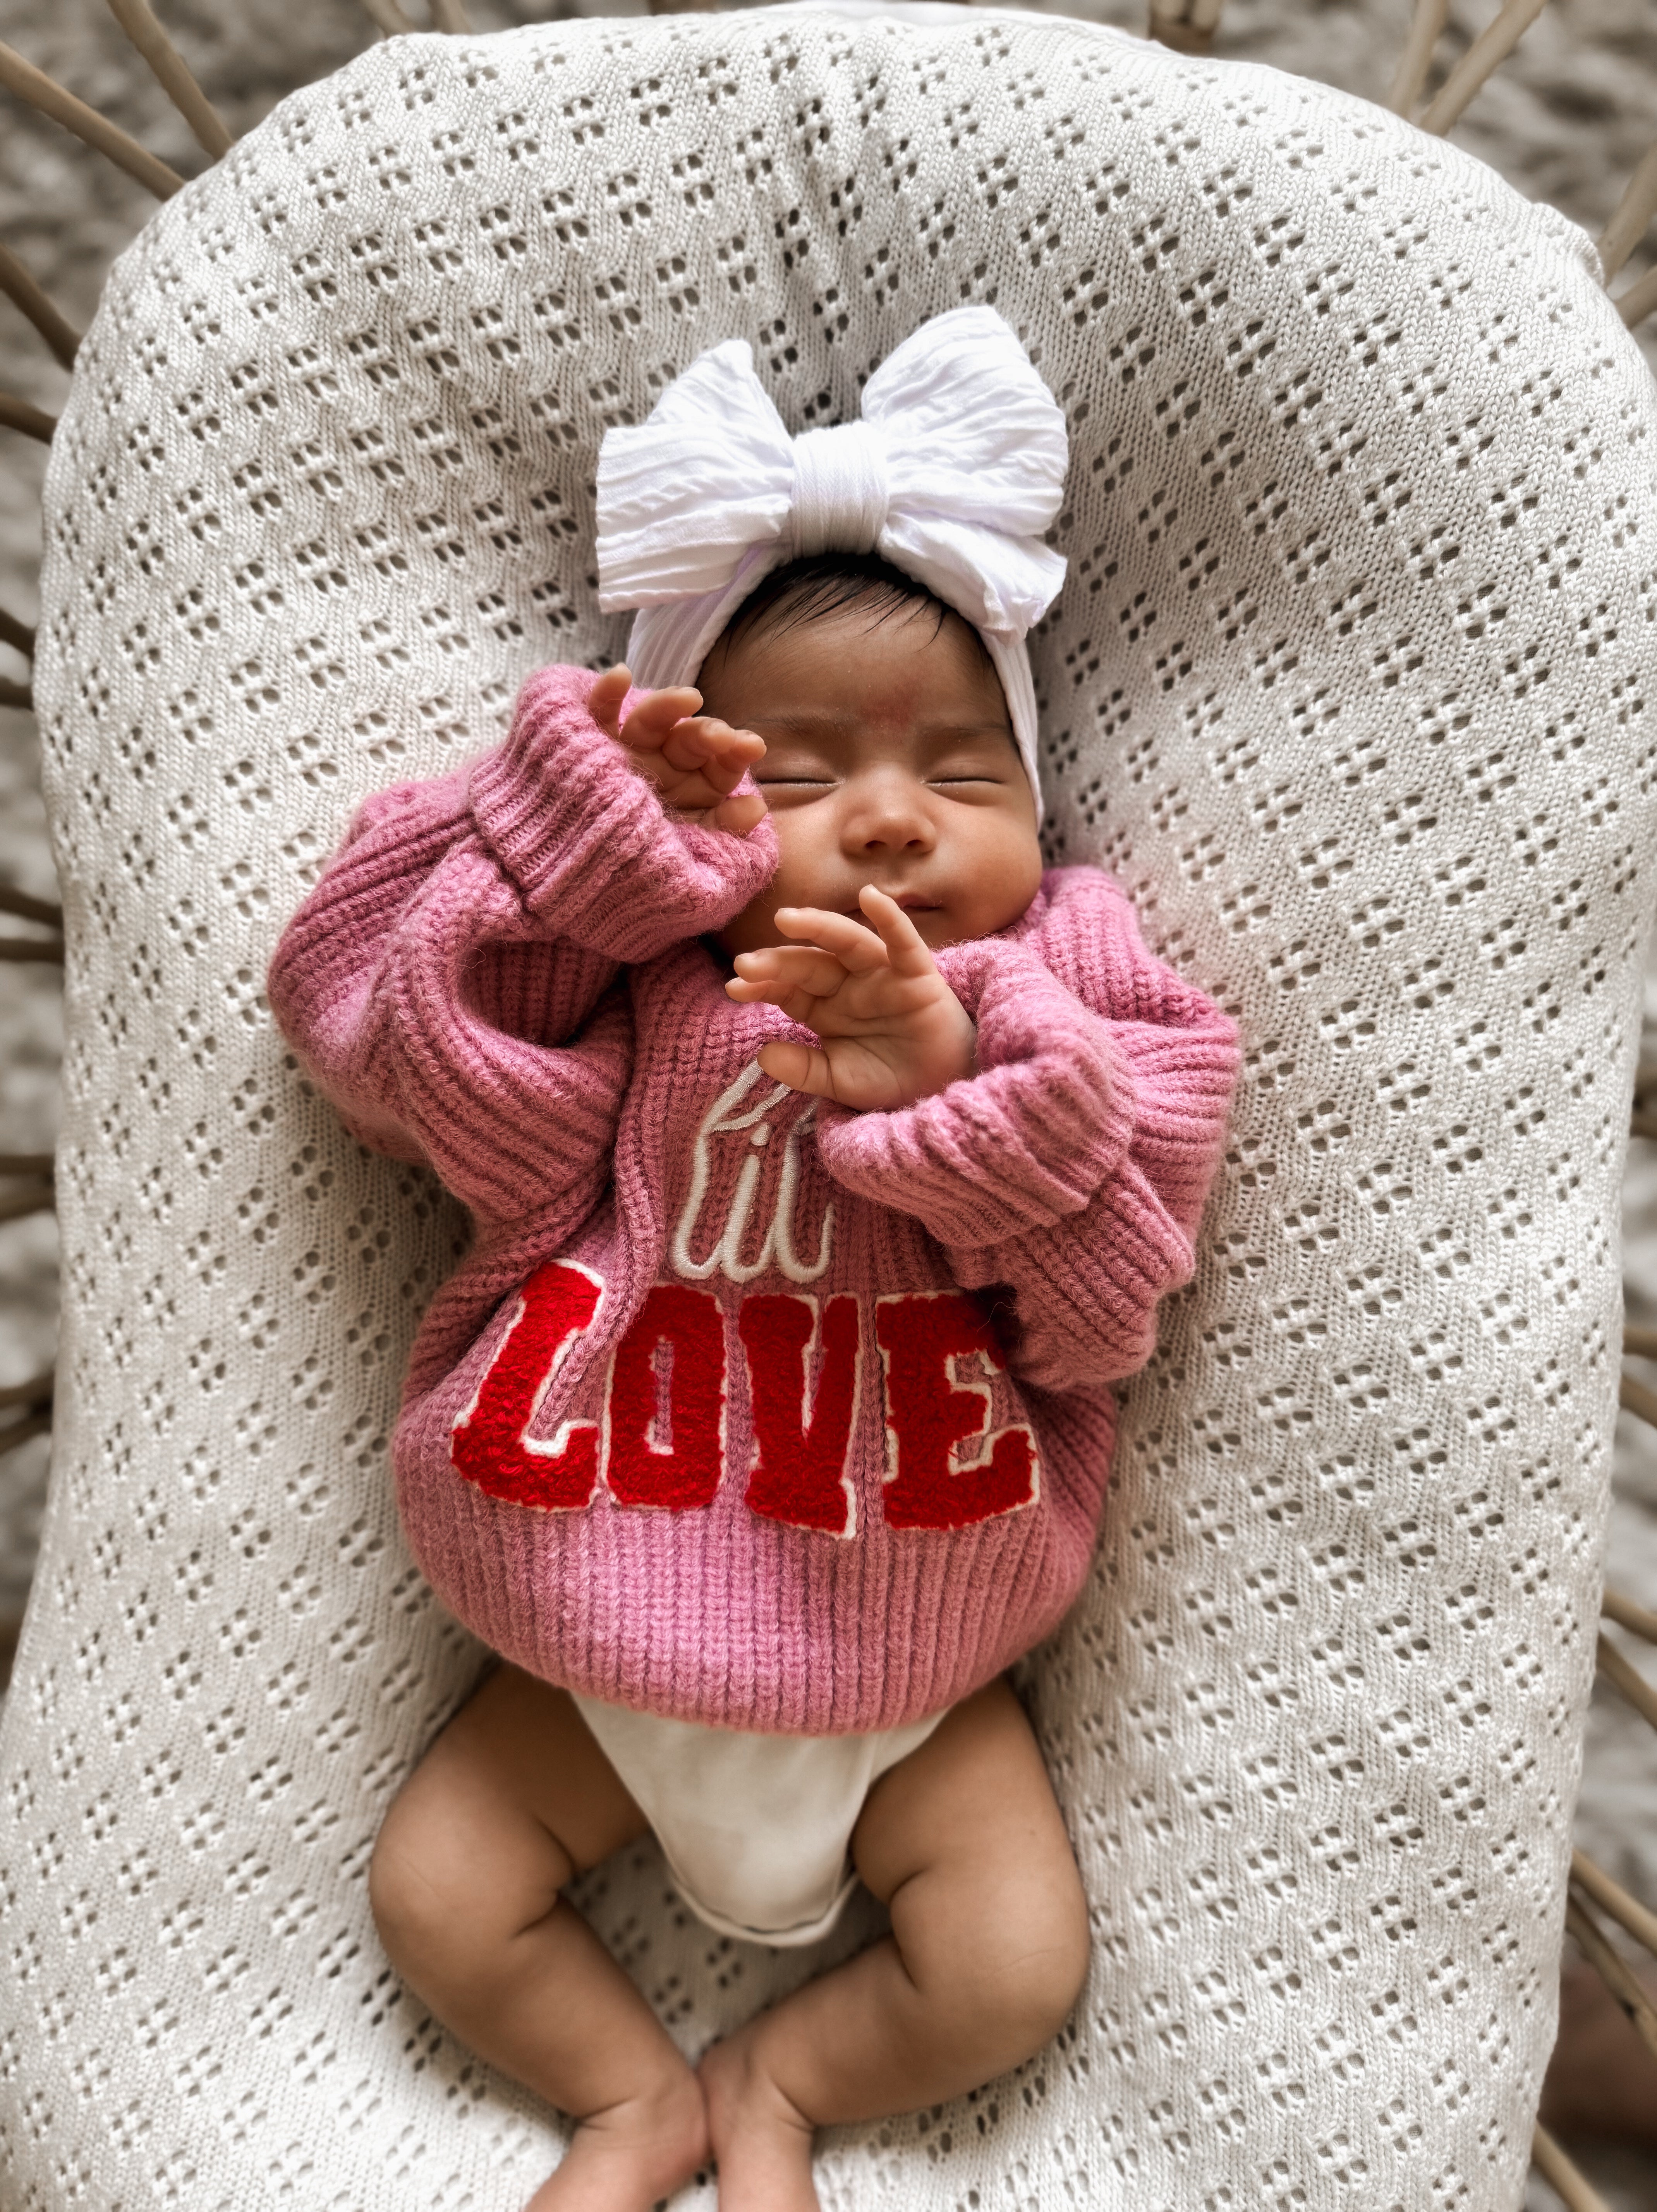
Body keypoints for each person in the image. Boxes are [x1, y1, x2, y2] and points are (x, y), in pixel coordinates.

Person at [268, 308, 1240, 2212]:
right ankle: (635, 2107)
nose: (887, 812)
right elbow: (381, 1039)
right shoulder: (641, 982)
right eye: (797, 778)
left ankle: (779, 2089)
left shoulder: (1061, 987)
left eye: (963, 776)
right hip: (587, 1616)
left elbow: (1116, 1287)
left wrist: (956, 1080)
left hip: (922, 1665)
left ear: (1037, 814)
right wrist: (584, 860)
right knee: (441, 1900)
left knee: (1007, 1971)